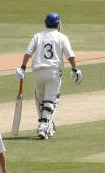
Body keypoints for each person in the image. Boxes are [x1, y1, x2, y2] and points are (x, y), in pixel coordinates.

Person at [16, 12, 82, 140]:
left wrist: (22, 67)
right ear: (58, 24)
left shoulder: (38, 36)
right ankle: (43, 127)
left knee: (40, 101)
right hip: (53, 72)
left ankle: (48, 126)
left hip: (37, 72)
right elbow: (70, 56)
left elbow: (28, 53)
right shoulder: (62, 37)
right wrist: (75, 69)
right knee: (51, 101)